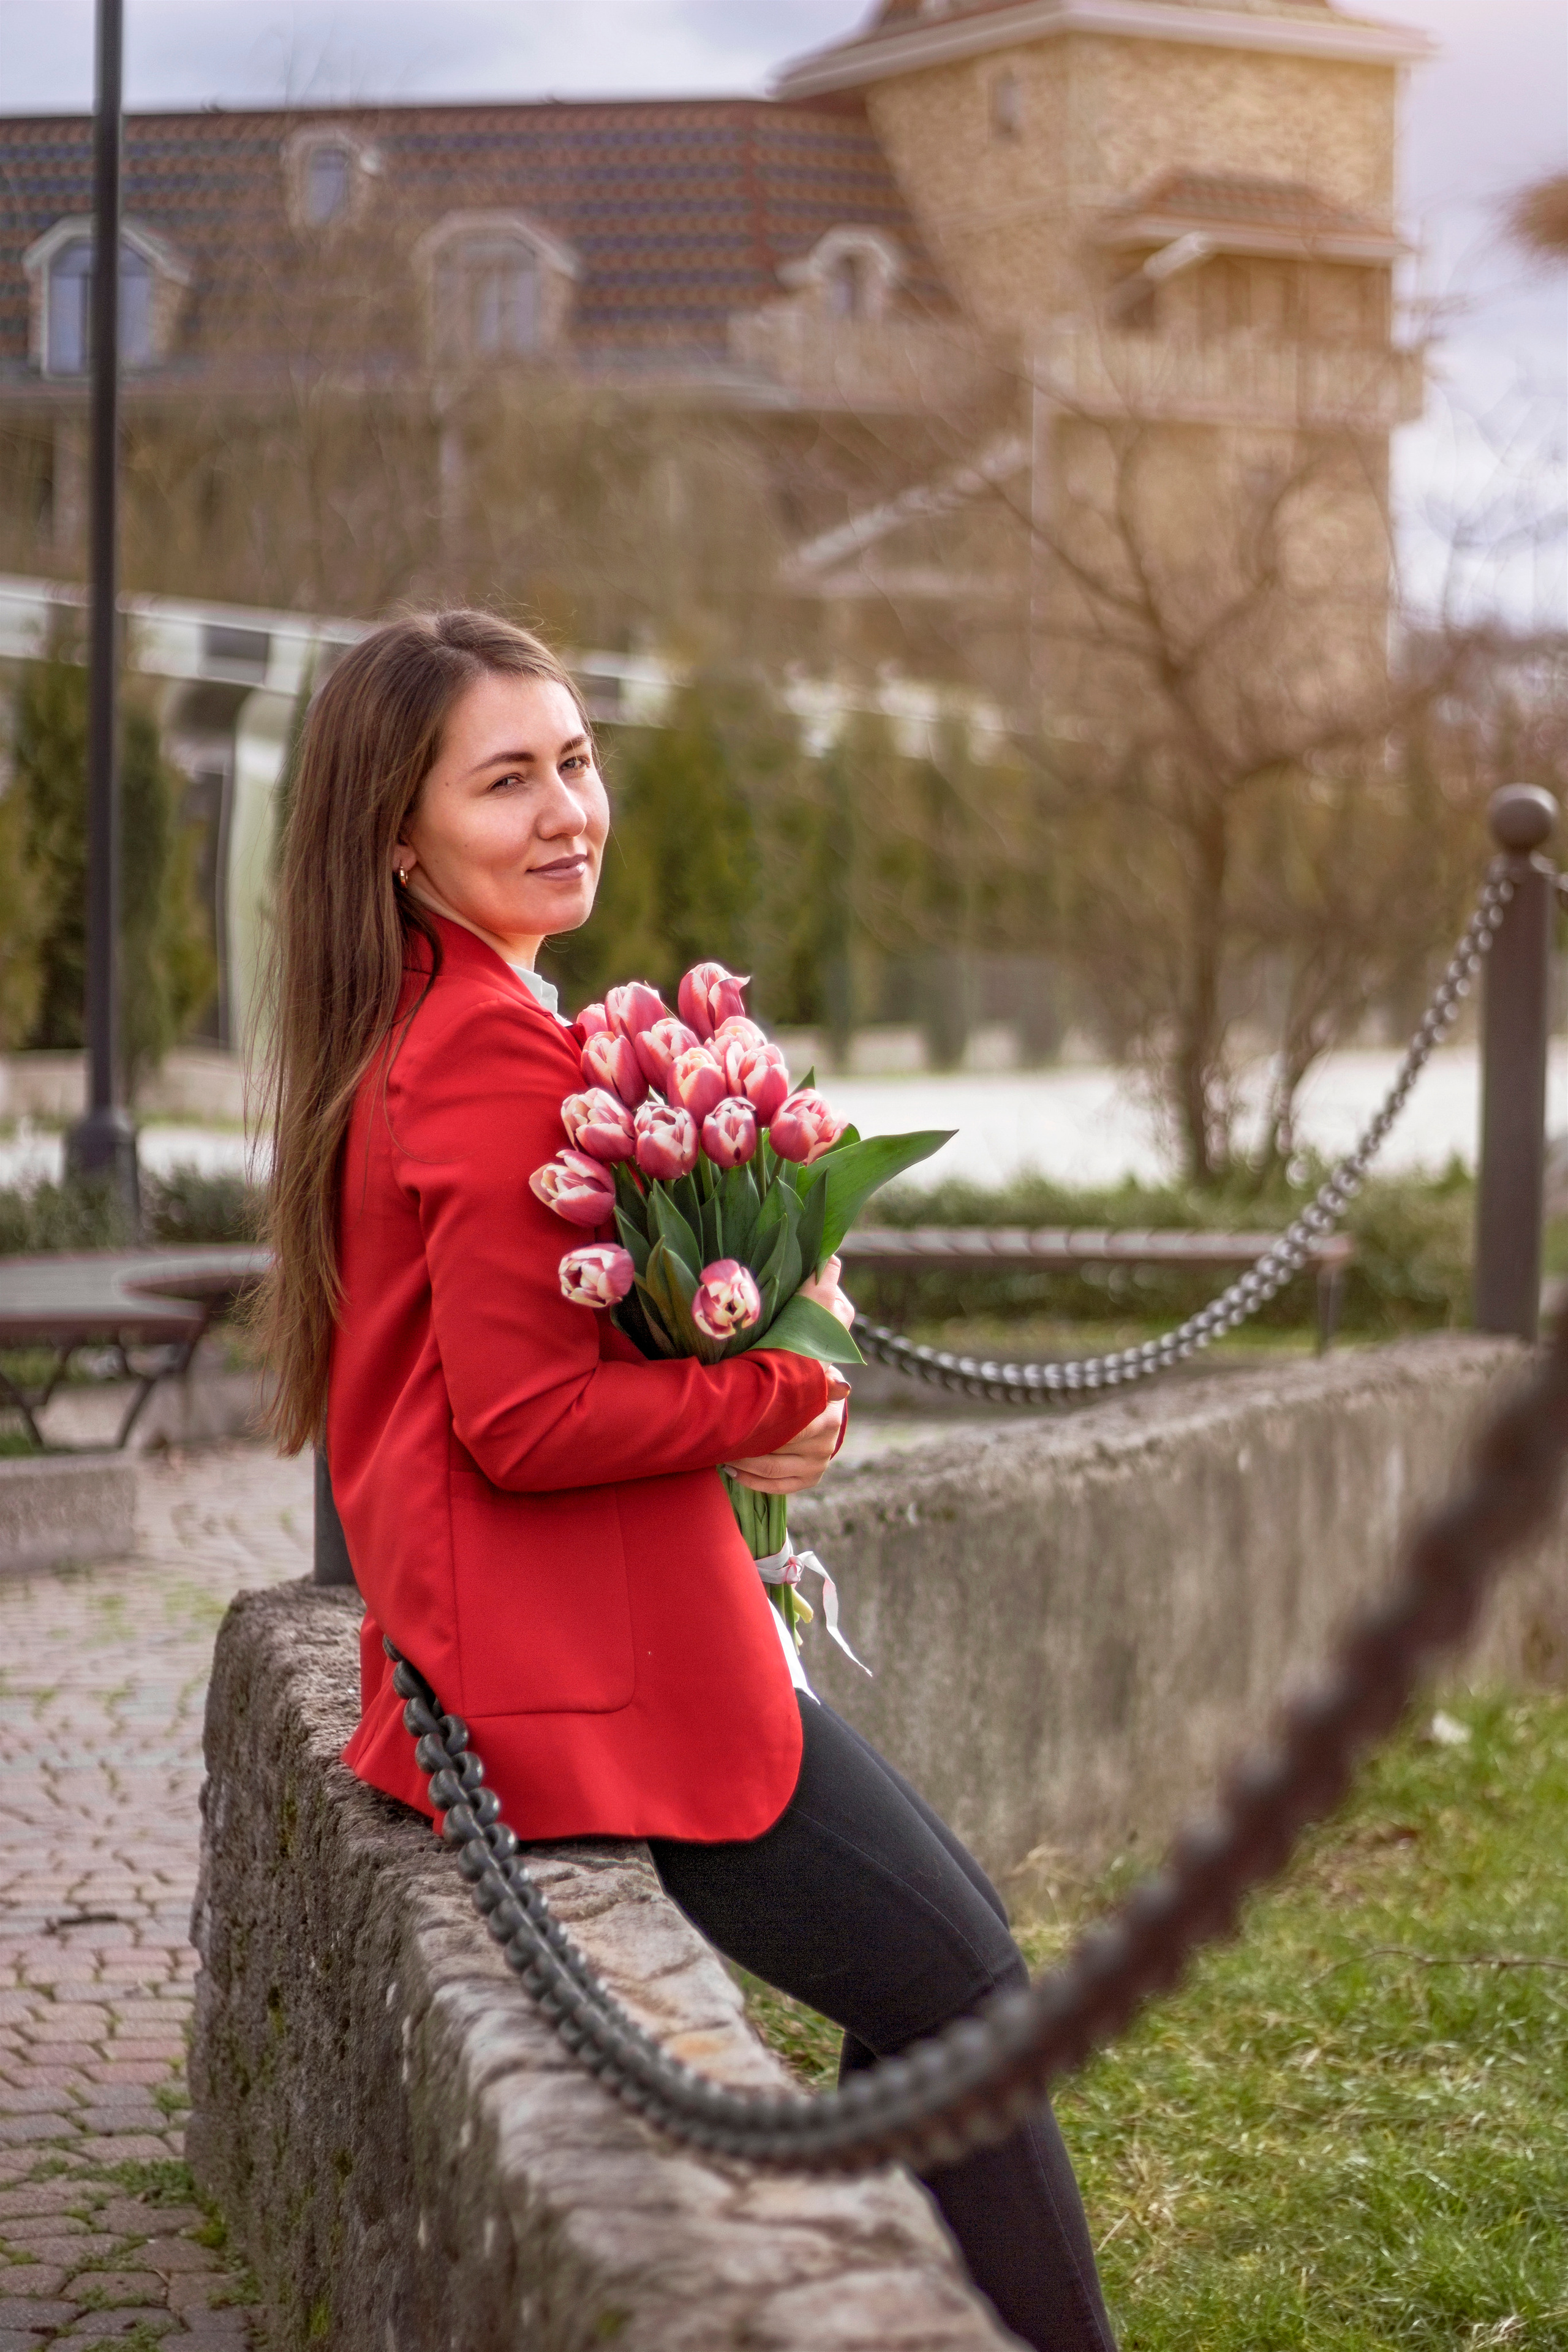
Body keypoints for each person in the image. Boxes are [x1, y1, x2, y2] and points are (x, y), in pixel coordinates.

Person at [259, 609, 1118, 2352]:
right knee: (966, 1995)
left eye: (576, 758)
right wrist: (771, 1382)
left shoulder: (443, 1015)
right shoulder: (489, 1050)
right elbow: (518, 1424)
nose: (569, 806)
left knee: (954, 1977)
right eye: (508, 780)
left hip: (557, 1651)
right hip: (591, 1687)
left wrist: (729, 1352)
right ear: (397, 836)